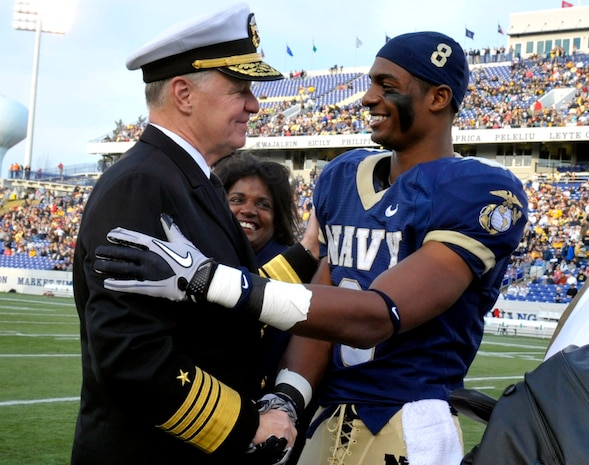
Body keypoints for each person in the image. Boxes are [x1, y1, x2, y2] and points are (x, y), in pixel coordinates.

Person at [94, 31, 528, 465]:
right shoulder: (342, 177)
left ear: (438, 97)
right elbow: (320, 316)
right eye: (371, 83)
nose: (368, 98)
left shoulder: (480, 191)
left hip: (409, 420)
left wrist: (208, 278)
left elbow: (378, 314)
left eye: (387, 86)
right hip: (327, 414)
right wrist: (287, 399)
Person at [71, 4, 304, 464]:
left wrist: (309, 252)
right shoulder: (143, 184)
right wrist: (248, 426)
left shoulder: (189, 179)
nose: (254, 105)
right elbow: (131, 355)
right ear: (183, 93)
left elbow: (229, 291)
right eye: (240, 89)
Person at [214, 152, 319, 464]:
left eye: (263, 204)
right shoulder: (212, 254)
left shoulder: (294, 266)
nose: (249, 210)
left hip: (271, 426)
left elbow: (238, 304)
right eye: (237, 199)